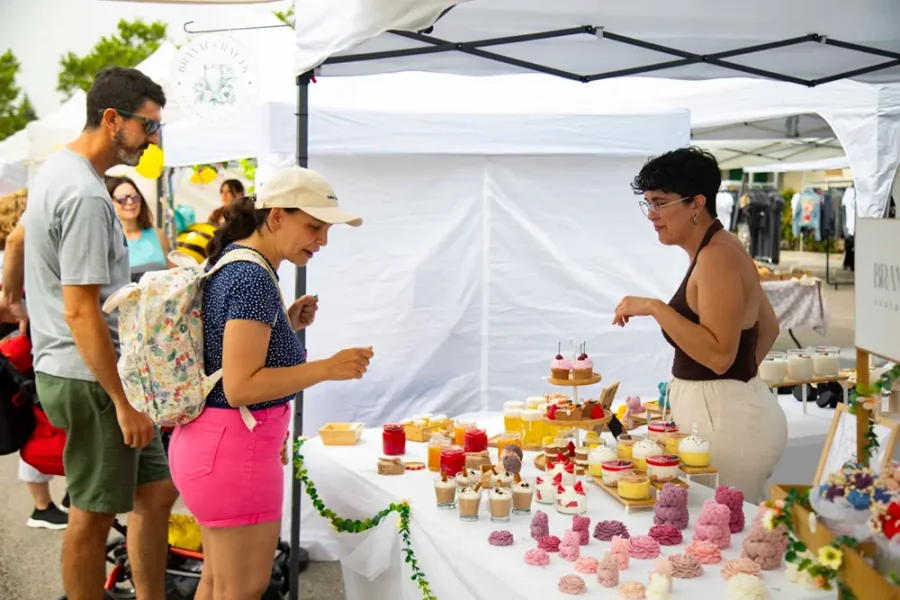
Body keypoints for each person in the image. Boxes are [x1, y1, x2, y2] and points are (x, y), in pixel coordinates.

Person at [0, 66, 178, 599]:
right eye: (148, 127)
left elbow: (18, 238)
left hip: (88, 369)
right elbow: (82, 312)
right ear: (110, 119)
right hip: (91, 377)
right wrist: (123, 401)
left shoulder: (60, 169)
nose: (153, 140)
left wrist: (13, 297)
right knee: (93, 513)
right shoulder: (85, 195)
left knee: (158, 490)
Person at [168, 166, 374, 600]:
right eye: (314, 226)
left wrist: (284, 322)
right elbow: (242, 386)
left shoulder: (243, 266)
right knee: (242, 588)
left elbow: (232, 360)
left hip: (220, 444)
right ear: (276, 217)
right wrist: (326, 367)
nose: (322, 240)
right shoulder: (252, 277)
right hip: (233, 447)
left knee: (220, 584)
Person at [613, 147, 786, 504]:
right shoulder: (720, 248)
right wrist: (740, 382)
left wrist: (655, 307)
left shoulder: (716, 257)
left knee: (726, 540)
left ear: (696, 204)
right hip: (728, 415)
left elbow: (720, 356)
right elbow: (768, 326)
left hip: (728, 425)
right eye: (647, 203)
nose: (651, 215)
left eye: (660, 203)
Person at [0, 189, 70, 529]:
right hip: (27, 353)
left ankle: (52, 499)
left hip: (32, 349)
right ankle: (41, 506)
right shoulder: (14, 258)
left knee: (43, 421)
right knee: (36, 423)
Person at [107, 175, 169, 268]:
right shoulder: (106, 241)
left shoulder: (158, 236)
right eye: (122, 199)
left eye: (135, 197)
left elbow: (174, 275)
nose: (130, 202)